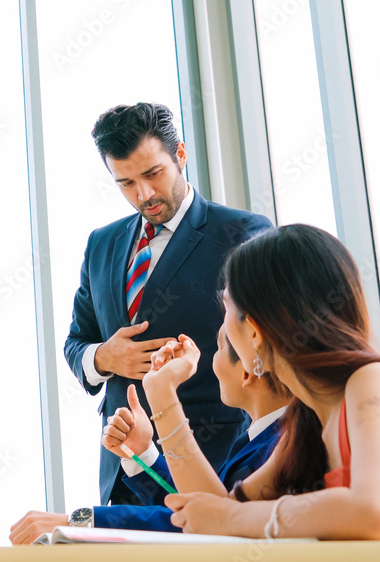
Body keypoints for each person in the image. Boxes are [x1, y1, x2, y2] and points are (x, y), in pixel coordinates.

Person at [64, 102, 273, 506]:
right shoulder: (101, 244)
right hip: (123, 466)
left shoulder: (241, 233)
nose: (143, 194)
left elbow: (266, 344)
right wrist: (104, 358)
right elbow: (77, 341)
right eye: (125, 183)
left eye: (152, 174)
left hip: (212, 459)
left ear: (180, 154)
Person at [165, 225, 380, 540]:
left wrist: (234, 516)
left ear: (254, 331)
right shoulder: (304, 419)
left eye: (226, 308)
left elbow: (371, 512)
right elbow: (217, 510)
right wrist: (162, 395)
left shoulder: (368, 380)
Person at [10, 326, 290, 542]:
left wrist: (79, 522)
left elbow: (212, 525)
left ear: (247, 370)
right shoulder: (259, 440)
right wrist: (143, 453)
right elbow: (196, 511)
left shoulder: (282, 449)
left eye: (217, 347)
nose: (209, 362)